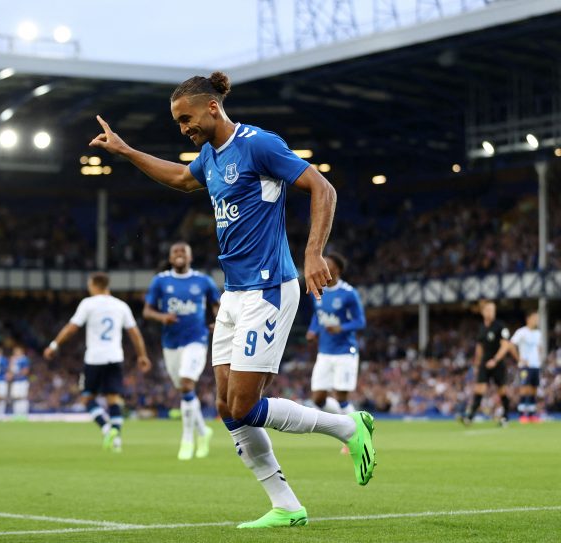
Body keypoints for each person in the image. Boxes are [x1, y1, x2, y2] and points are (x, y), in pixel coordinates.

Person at [90, 71, 376, 528]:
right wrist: (125, 151)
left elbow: (323, 188)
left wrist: (313, 251)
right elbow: (183, 179)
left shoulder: (259, 144)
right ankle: (285, 504)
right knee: (227, 409)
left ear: (211, 107)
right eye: (177, 122)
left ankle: (347, 426)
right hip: (234, 294)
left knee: (244, 406)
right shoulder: (208, 155)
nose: (183, 128)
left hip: (269, 288)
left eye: (186, 119)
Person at [44, 272, 152, 452]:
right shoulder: (121, 306)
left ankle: (105, 427)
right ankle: (116, 437)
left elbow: (72, 328)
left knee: (87, 398)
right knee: (113, 398)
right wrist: (142, 355)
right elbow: (135, 334)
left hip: (94, 358)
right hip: (115, 357)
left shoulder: (88, 304)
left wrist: (54, 345)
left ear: (94, 285)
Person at [144, 241, 221, 460]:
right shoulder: (161, 281)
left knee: (187, 383)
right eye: (175, 252)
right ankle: (204, 431)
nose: (179, 255)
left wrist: (219, 321)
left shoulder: (203, 281)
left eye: (183, 252)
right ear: (170, 258)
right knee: (184, 391)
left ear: (190, 257)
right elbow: (147, 311)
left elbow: (217, 305)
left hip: (196, 339)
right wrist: (162, 317)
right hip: (171, 343)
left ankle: (187, 439)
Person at [306, 253, 366, 418]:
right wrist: (313, 330)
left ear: (337, 270)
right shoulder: (317, 291)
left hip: (345, 351)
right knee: (318, 398)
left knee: (341, 397)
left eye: (327, 263)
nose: (323, 265)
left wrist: (342, 327)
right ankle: (343, 419)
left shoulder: (349, 293)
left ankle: (356, 428)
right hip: (324, 352)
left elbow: (360, 321)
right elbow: (317, 316)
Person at [461, 301, 513, 426]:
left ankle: (505, 416)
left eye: (492, 310)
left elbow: (506, 345)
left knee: (502, 390)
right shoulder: (482, 328)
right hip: (484, 362)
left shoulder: (500, 326)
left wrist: (495, 360)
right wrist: (477, 364)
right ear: (483, 312)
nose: (491, 312)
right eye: (488, 310)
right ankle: (470, 416)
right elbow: (479, 347)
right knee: (479, 389)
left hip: (498, 363)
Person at [510, 311, 543, 423]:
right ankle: (522, 415)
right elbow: (511, 345)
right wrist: (519, 359)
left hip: (536, 365)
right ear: (528, 319)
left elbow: (539, 348)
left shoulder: (538, 333)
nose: (536, 320)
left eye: (537, 318)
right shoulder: (521, 332)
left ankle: (532, 415)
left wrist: (539, 359)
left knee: (534, 389)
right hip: (525, 366)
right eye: (534, 318)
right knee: (525, 389)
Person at [8, 346, 31, 418]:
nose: (15, 353)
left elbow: (26, 370)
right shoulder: (14, 360)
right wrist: (11, 362)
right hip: (15, 381)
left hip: (22, 381)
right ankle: (17, 414)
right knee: (15, 397)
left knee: (23, 397)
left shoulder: (24, 359)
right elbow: (11, 370)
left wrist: (17, 374)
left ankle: (24, 414)